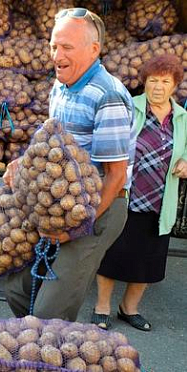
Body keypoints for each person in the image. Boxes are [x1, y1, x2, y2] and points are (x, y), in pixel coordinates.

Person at [2, 8, 136, 321]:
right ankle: (39, 344)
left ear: (94, 49)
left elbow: (115, 176)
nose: (57, 55)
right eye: (53, 46)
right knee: (18, 290)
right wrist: (23, 162)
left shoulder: (108, 96)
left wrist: (76, 227)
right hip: (57, 206)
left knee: (50, 312)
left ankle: (51, 351)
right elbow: (51, 145)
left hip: (98, 209)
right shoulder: (61, 87)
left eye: (67, 47)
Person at [92, 54, 187, 331]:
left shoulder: (182, 118)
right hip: (126, 195)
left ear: (175, 85)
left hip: (161, 200)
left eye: (165, 81)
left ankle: (129, 309)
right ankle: (102, 307)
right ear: (144, 82)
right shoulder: (128, 107)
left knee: (149, 260)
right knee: (113, 254)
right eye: (153, 80)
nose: (158, 87)